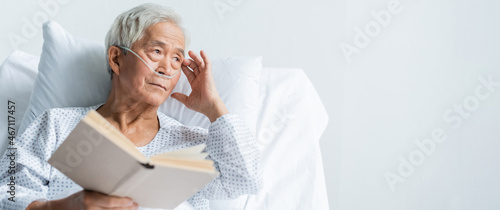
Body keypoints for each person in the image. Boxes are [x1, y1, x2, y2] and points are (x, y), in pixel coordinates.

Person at [0, 3, 262, 210]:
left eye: (177, 59)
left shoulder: (194, 147)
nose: (167, 68)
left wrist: (214, 108)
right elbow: (8, 193)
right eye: (157, 52)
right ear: (116, 59)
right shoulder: (56, 125)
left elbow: (246, 179)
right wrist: (62, 207)